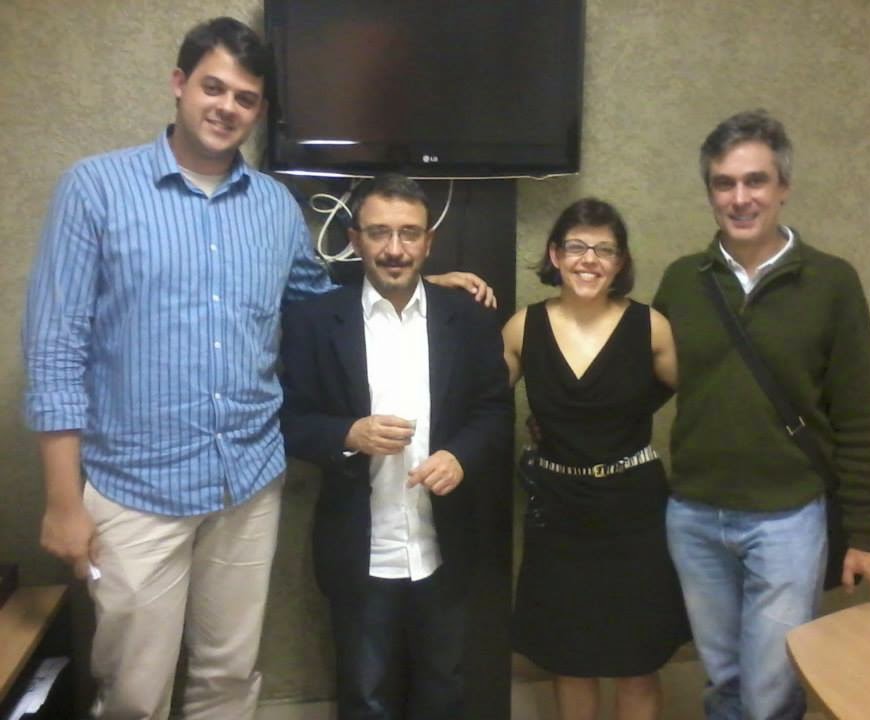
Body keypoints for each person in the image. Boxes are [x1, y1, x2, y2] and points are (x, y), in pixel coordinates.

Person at [22, 18, 494, 720]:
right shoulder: (96, 190)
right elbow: (55, 351)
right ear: (179, 84)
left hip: (246, 484)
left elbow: (316, 300)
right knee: (134, 692)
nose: (227, 108)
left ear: (260, 110)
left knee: (230, 675)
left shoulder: (274, 206)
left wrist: (418, 285)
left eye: (245, 98)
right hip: (136, 487)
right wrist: (63, 501)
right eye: (212, 88)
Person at [652, 109, 870, 720]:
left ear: (784, 187)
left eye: (756, 181)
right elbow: (638, 379)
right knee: (722, 679)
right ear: (710, 192)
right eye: (724, 183)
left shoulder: (831, 282)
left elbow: (858, 418)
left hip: (786, 520)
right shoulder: (684, 280)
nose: (740, 198)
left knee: (771, 687)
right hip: (693, 514)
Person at [278, 173, 513, 720]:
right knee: (366, 696)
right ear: (355, 240)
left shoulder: (468, 318)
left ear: (429, 242)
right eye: (379, 232)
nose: (394, 249)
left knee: (444, 690)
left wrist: (461, 456)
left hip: (444, 546)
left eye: (409, 233)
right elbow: (289, 419)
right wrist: (347, 434)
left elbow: (495, 411)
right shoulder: (315, 321)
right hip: (359, 549)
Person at [502, 198, 690, 720]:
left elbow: (705, 398)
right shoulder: (522, 328)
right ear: (555, 255)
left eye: (604, 250)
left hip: (634, 512)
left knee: (637, 663)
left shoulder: (651, 327)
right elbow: (476, 402)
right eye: (577, 247)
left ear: (620, 261)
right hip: (557, 511)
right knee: (571, 661)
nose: (590, 260)